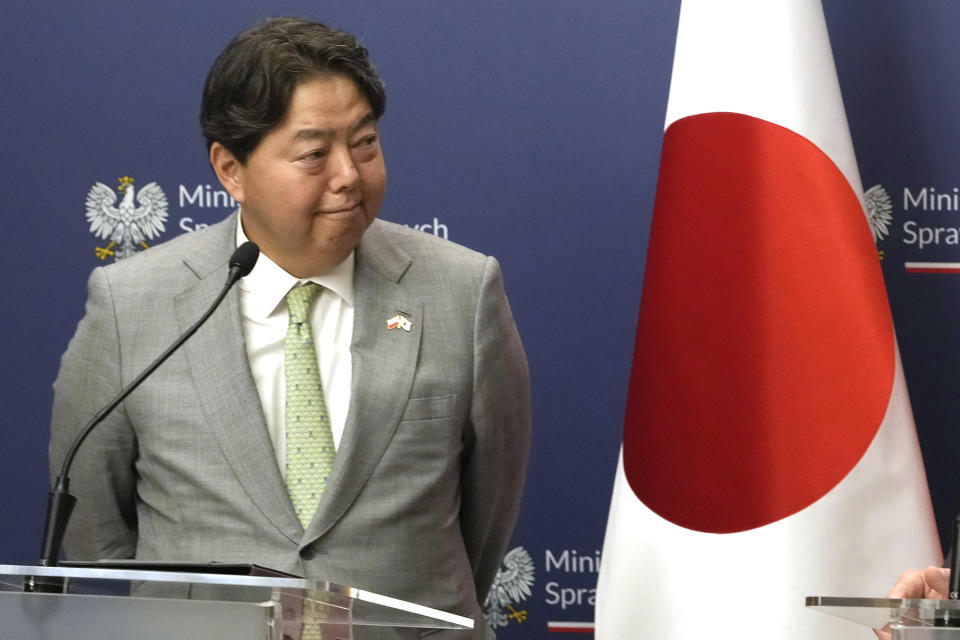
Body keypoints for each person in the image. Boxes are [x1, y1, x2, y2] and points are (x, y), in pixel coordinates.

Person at [49, 16, 531, 639]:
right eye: (313, 154)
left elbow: (488, 517)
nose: (349, 176)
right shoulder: (130, 304)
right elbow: (94, 535)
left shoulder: (463, 292)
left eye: (364, 143)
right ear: (231, 169)